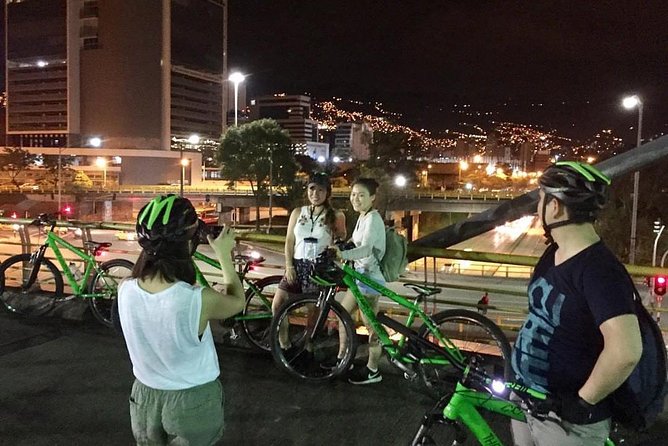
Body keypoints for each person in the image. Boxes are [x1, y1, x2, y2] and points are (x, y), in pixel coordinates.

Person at [511, 162, 642, 446]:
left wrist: (582, 403)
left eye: (541, 199)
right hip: (528, 400)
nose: (537, 209)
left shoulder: (599, 271)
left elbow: (626, 350)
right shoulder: (553, 253)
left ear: (555, 207)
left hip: (566, 423)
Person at [117, 195, 244, 446]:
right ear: (189, 243)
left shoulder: (125, 289)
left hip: (143, 399)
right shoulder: (197, 299)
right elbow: (237, 302)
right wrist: (224, 255)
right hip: (191, 402)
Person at [272, 172, 346, 350]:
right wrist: (289, 265)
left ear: (328, 193)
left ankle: (308, 348)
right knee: (278, 306)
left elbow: (341, 240)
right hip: (296, 265)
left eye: (321, 190)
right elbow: (290, 240)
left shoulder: (336, 215)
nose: (315, 194)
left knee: (313, 313)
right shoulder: (298, 213)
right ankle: (284, 345)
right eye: (312, 189)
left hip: (318, 269)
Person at [329, 177, 386, 385]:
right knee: (343, 316)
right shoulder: (363, 217)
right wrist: (342, 244)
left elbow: (366, 249)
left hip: (370, 280)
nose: (356, 199)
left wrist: (342, 255)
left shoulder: (373, 219)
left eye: (361, 195)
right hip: (359, 276)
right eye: (353, 194)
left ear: (372, 197)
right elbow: (355, 241)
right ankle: (344, 360)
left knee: (372, 328)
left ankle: (373, 370)